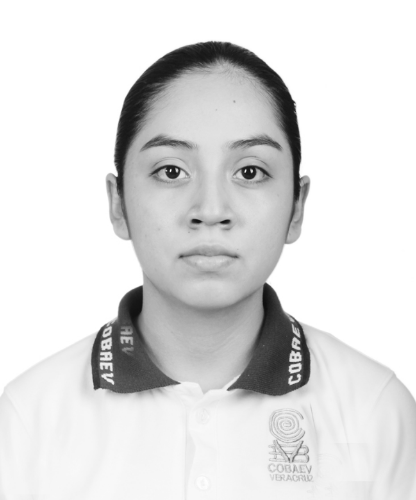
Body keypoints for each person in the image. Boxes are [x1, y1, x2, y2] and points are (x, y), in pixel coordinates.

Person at [0, 41, 415, 500]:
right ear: (118, 204)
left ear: (297, 207)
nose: (211, 210)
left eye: (250, 172)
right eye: (171, 171)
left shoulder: (372, 411)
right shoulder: (28, 420)